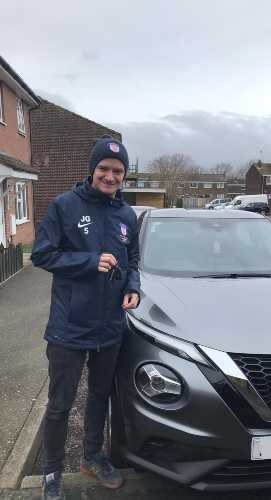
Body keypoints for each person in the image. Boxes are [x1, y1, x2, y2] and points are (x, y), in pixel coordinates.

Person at [31, 135, 140, 500]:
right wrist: (89, 262)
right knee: (60, 404)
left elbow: (133, 261)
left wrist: (133, 287)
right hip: (69, 326)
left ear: (124, 176)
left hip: (110, 326)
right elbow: (43, 255)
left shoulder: (127, 214)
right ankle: (50, 472)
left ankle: (92, 457)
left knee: (99, 396)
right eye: (104, 169)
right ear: (92, 170)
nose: (110, 177)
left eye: (118, 171)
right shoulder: (64, 206)